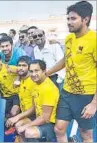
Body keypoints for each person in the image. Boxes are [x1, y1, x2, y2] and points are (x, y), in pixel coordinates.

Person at [46, 1, 96, 142]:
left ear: (85, 19)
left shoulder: (94, 40)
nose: (69, 22)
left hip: (86, 95)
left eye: (73, 18)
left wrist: (94, 104)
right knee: (59, 128)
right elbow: (65, 60)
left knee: (85, 133)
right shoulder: (69, 39)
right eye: (68, 18)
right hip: (67, 92)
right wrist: (47, 73)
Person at [16, 60, 59, 142]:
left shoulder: (48, 88)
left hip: (50, 124)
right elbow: (33, 108)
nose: (33, 74)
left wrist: (26, 126)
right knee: (19, 124)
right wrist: (17, 117)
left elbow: (45, 118)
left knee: (29, 132)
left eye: (36, 71)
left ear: (44, 71)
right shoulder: (36, 83)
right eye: (31, 71)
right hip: (38, 118)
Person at [6, 56, 35, 141]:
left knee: (18, 125)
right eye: (19, 65)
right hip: (26, 112)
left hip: (35, 115)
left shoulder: (33, 82)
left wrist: (17, 117)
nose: (21, 68)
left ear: (29, 67)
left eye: (24, 65)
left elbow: (35, 108)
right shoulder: (21, 80)